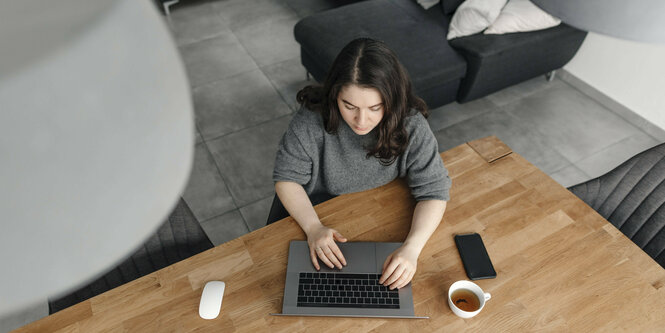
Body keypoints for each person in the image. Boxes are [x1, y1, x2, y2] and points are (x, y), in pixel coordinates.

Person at [272, 38, 451, 291]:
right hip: (319, 209)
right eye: (349, 106)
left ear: (393, 100)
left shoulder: (411, 124)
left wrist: (412, 248)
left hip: (378, 210)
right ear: (335, 95)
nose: (361, 121)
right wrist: (313, 227)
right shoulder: (309, 123)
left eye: (375, 108)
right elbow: (287, 179)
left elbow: (435, 191)